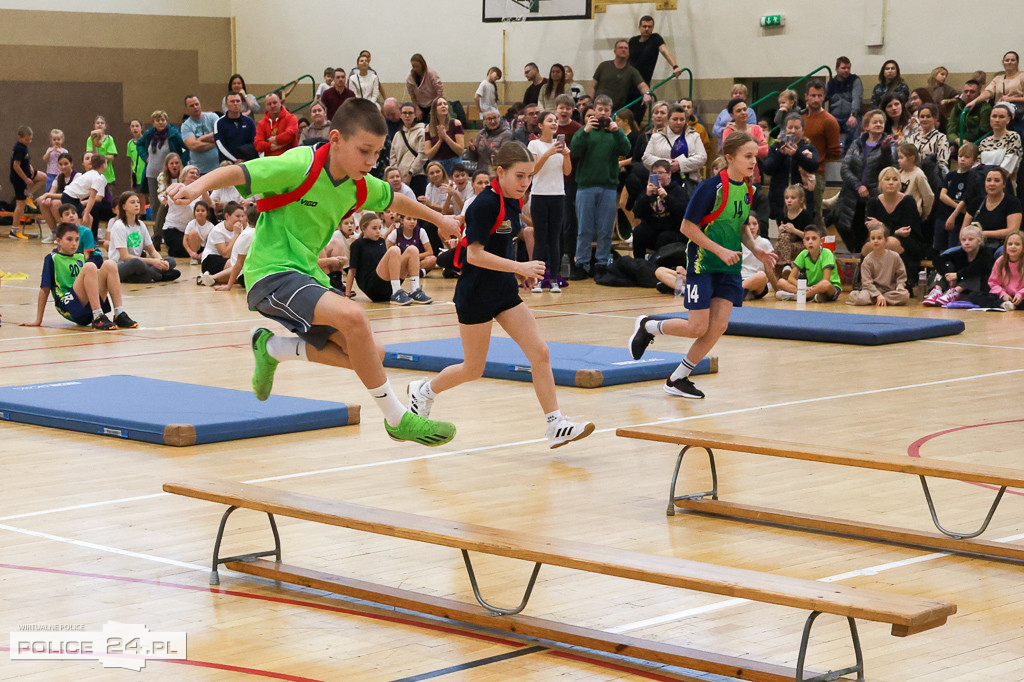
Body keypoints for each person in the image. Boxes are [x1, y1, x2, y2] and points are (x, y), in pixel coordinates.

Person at [167, 97, 459, 446]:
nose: (370, 162)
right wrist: (194, 188)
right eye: (363, 151)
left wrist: (440, 218)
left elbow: (395, 200)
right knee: (354, 317)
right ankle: (397, 419)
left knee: (370, 354)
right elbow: (239, 172)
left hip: (308, 277)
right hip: (270, 273)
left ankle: (273, 348)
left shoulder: (359, 182)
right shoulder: (300, 164)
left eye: (377, 154)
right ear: (335, 139)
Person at [407, 141, 594, 448]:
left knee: (540, 352)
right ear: (501, 172)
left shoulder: (513, 202)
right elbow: (475, 256)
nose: (526, 183)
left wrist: (517, 272)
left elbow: (502, 246)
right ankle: (424, 390)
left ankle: (555, 423)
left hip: (504, 293)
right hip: (476, 295)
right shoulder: (484, 204)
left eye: (530, 176)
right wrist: (519, 264)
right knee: (473, 368)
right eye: (520, 176)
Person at [629, 132, 776, 398]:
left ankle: (678, 378)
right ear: (729, 158)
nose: (754, 162)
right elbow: (687, 227)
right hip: (703, 263)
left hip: (729, 266)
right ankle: (649, 325)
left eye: (755, 156)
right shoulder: (711, 188)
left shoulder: (749, 189)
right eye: (748, 156)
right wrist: (719, 251)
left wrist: (756, 250)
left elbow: (741, 226)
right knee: (697, 327)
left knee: (718, 326)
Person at [23, 223, 137, 330]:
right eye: (69, 239)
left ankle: (119, 313)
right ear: (58, 241)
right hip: (67, 304)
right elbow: (44, 288)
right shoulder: (52, 258)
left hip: (87, 305)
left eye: (77, 240)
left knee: (110, 264)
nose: (74, 243)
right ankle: (98, 316)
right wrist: (38, 319)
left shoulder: (80, 256)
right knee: (90, 267)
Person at [571, 95, 632, 279]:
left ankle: (602, 263)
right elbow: (574, 150)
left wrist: (617, 131)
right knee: (584, 229)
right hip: (586, 186)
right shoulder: (585, 130)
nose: (603, 113)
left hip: (609, 186)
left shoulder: (615, 132)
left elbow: (626, 149)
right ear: (594, 110)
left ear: (611, 112)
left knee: (605, 229)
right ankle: (581, 263)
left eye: (607, 110)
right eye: (600, 110)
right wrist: (585, 130)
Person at [836, 110, 892, 253]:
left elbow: (890, 169)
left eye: (881, 122)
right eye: (875, 122)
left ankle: (863, 257)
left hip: (873, 196)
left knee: (868, 233)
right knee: (842, 225)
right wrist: (858, 185)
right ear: (866, 126)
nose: (879, 124)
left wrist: (885, 150)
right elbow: (845, 167)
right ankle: (855, 253)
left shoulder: (889, 144)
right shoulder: (857, 143)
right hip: (852, 194)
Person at [527, 110, 572, 291]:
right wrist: (549, 153)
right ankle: (538, 279)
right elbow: (533, 170)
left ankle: (554, 278)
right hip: (539, 195)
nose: (554, 123)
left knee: (555, 239)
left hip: (557, 195)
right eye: (549, 121)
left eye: (555, 121)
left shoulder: (560, 145)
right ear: (540, 125)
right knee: (540, 238)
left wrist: (566, 155)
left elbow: (567, 172)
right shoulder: (534, 145)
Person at [345, 212, 430, 304]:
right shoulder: (357, 244)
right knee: (394, 250)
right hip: (372, 286)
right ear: (363, 228)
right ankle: (396, 291)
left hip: (387, 285)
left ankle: (415, 290)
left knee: (413, 250)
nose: (378, 231)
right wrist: (347, 293)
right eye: (374, 228)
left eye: (379, 228)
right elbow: (352, 271)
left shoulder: (381, 241)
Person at [865, 166, 926, 283]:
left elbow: (907, 229)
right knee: (869, 245)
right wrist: (893, 231)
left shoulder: (908, 201)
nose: (891, 183)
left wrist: (882, 225)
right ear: (880, 183)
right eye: (887, 179)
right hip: (880, 238)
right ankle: (867, 281)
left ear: (900, 183)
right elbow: (871, 227)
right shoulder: (873, 202)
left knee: (890, 242)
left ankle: (902, 282)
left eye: (895, 179)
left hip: (909, 241)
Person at [107, 191, 180, 283]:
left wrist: (161, 262)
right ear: (123, 206)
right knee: (136, 263)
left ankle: (148, 276)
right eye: (132, 202)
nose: (137, 205)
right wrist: (153, 262)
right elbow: (125, 257)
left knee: (171, 261)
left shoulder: (141, 225)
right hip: (121, 266)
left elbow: (152, 250)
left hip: (140, 266)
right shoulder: (119, 226)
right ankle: (156, 276)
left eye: (138, 202)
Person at [763, 113, 818, 227]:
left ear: (803, 130)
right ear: (785, 129)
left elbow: (813, 166)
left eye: (797, 128)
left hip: (802, 198)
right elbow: (767, 169)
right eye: (790, 127)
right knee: (784, 234)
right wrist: (781, 155)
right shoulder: (776, 146)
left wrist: (796, 155)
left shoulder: (809, 147)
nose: (793, 131)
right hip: (780, 198)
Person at [924, 223, 994, 307]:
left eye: (971, 239)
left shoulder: (987, 252)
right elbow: (937, 261)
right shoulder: (960, 252)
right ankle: (937, 290)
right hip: (959, 281)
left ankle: (955, 292)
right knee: (946, 265)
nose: (966, 243)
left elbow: (979, 267)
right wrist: (948, 275)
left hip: (977, 287)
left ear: (979, 241)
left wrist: (957, 275)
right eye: (963, 240)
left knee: (974, 273)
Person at [803, 79, 842, 225]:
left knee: (815, 215)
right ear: (806, 96)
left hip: (816, 173)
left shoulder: (829, 121)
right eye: (813, 95)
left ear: (824, 96)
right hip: (797, 171)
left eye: (819, 96)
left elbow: (835, 151)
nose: (816, 99)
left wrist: (819, 160)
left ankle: (822, 246)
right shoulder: (800, 118)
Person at [632, 159, 688, 258]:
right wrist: (646, 196)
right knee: (638, 231)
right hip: (653, 228)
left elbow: (682, 214)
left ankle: (658, 263)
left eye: (661, 173)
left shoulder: (678, 191)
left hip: (672, 230)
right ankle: (638, 263)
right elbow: (637, 213)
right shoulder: (648, 191)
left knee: (665, 237)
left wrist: (667, 198)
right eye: (654, 173)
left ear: (669, 174)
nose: (657, 176)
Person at [642, 102, 707, 187]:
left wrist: (680, 164)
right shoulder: (656, 137)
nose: (679, 122)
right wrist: (667, 165)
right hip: (660, 183)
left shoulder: (694, 136)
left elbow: (702, 158)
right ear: (668, 120)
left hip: (689, 183)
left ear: (686, 120)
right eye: (675, 119)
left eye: (682, 119)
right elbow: (646, 158)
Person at [935, 142, 983, 251]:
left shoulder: (973, 177)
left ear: (974, 160)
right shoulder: (950, 175)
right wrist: (958, 207)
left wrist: (956, 213)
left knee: (953, 247)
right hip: (943, 216)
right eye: (960, 156)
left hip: (958, 220)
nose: (962, 159)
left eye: (967, 157)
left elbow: (967, 198)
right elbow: (942, 196)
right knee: (939, 247)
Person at [774, 225, 841, 302]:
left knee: (825, 284)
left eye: (814, 238)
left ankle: (798, 296)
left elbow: (826, 279)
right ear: (804, 243)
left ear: (821, 241)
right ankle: (812, 296)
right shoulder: (803, 254)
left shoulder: (827, 253)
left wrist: (810, 289)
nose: (810, 241)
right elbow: (791, 278)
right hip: (809, 287)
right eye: (807, 239)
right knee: (780, 282)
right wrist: (804, 287)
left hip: (830, 288)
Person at [848, 225, 909, 306]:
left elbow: (901, 275)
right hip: (871, 291)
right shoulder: (867, 260)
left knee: (904, 296)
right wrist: (877, 294)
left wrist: (900, 286)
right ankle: (879, 299)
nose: (875, 241)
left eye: (879, 238)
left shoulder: (895, 256)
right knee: (857, 297)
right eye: (873, 238)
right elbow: (867, 282)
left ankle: (879, 300)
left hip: (889, 290)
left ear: (885, 240)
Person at [962, 166, 1022, 248]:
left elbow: (1012, 231)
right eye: (988, 180)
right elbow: (963, 230)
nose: (992, 184)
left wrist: (983, 234)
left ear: (1004, 184)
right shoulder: (976, 202)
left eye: (997, 180)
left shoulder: (1013, 203)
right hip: (975, 245)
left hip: (1001, 246)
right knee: (948, 253)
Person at [162, 164, 211, 258]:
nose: (195, 175)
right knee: (180, 252)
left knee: (204, 249)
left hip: (193, 230)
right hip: (174, 229)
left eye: (197, 174)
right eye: (192, 173)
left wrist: (203, 188)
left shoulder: (201, 192)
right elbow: (184, 203)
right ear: (184, 175)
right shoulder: (176, 188)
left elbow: (208, 205)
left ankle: (195, 255)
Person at [590, 39, 652, 113]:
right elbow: (593, 86)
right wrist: (590, 103)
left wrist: (647, 94)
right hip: (598, 108)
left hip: (616, 112)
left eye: (626, 48)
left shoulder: (632, 71)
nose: (623, 50)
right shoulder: (603, 66)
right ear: (615, 51)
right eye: (620, 47)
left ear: (629, 52)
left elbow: (643, 85)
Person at [971, 51, 1024, 135]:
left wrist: (1011, 99)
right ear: (1003, 62)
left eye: (1012, 60)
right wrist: (975, 101)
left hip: (1017, 116)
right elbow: (988, 92)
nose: (1009, 62)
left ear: (1017, 63)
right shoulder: (998, 78)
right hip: (998, 113)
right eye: (1007, 60)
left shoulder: (1022, 77)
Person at [9, 125, 47, 240]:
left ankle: (28, 195)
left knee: (43, 177)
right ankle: (14, 231)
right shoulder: (19, 148)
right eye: (27, 139)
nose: (29, 141)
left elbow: (23, 160)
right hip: (19, 178)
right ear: (19, 138)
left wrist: (29, 166)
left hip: (27, 173)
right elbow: (15, 165)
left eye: (31, 139)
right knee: (20, 205)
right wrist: (25, 179)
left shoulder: (24, 146)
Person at [720, 99, 768, 184]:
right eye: (739, 111)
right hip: (734, 177)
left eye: (745, 109)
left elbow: (764, 151)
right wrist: (754, 149)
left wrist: (742, 150)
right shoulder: (728, 131)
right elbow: (728, 151)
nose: (743, 112)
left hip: (754, 177)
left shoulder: (757, 129)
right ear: (732, 115)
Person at [628, 15, 684, 88]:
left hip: (643, 83)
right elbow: (624, 58)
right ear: (639, 27)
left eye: (649, 27)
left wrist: (675, 66)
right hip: (628, 81)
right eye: (644, 26)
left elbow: (665, 52)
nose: (647, 29)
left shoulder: (655, 38)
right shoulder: (633, 41)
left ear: (653, 28)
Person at [60, 152, 108, 233]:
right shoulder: (97, 178)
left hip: (71, 197)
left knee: (89, 219)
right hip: (70, 197)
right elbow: (92, 197)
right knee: (80, 221)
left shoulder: (92, 173)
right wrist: (86, 213)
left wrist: (86, 213)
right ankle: (76, 241)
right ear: (104, 165)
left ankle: (87, 241)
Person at [198, 200, 245, 281]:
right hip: (211, 259)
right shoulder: (217, 230)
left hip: (229, 259)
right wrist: (236, 235)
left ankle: (210, 279)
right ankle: (212, 277)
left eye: (242, 216)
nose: (240, 219)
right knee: (237, 265)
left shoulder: (243, 228)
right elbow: (225, 254)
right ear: (227, 216)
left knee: (242, 266)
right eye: (237, 216)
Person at [774, 184, 814, 275]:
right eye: (787, 198)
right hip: (790, 246)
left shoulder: (805, 215)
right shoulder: (784, 215)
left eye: (792, 198)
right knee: (779, 244)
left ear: (801, 199)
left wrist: (794, 230)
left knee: (780, 245)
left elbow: (810, 237)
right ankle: (780, 274)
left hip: (804, 246)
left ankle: (785, 267)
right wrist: (781, 230)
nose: (789, 201)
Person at [38, 152, 77, 241]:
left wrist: (48, 195)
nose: (63, 167)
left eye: (66, 164)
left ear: (71, 164)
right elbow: (52, 191)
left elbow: (69, 194)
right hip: (65, 201)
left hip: (76, 202)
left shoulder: (77, 176)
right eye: (60, 164)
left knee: (55, 203)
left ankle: (62, 231)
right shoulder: (59, 177)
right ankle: (54, 233)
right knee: (43, 202)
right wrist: (47, 198)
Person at [827, 56, 863, 150]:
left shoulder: (855, 80)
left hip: (850, 116)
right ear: (836, 69)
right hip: (835, 118)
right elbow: (821, 97)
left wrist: (853, 114)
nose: (847, 70)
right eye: (843, 68)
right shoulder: (830, 84)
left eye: (848, 68)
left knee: (854, 127)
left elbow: (856, 98)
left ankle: (848, 153)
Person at [978, 103, 1023, 178]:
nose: (997, 120)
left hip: (1003, 183)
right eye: (994, 116)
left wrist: (991, 179)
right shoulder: (984, 141)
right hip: (982, 182)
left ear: (1008, 119)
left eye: (1001, 117)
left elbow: (1007, 167)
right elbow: (977, 166)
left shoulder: (1013, 137)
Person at [423, 97, 465, 175]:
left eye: (445, 104)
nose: (443, 106)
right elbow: (428, 155)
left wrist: (445, 137)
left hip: (454, 163)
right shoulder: (429, 128)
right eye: (439, 104)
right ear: (434, 109)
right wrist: (440, 141)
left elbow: (460, 151)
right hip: (437, 165)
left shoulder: (456, 123)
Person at [181, 94, 221, 175]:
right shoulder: (186, 125)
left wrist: (201, 138)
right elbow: (193, 146)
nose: (195, 107)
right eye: (191, 106)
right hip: (199, 171)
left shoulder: (212, 117)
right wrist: (215, 141)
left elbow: (221, 134)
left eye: (197, 104)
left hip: (218, 167)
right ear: (187, 108)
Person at [390, 102, 427, 187]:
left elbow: (422, 155)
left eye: (410, 113)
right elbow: (393, 156)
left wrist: (411, 172)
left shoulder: (421, 132)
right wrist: (396, 174)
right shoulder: (397, 135)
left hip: (417, 175)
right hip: (399, 177)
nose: (407, 116)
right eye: (404, 113)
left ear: (415, 115)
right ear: (400, 115)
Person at [906, 103, 951, 172]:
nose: (925, 119)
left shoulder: (941, 138)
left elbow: (942, 163)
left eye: (928, 116)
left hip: (932, 176)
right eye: (922, 116)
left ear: (935, 118)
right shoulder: (912, 138)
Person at [947, 80, 991, 149]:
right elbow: (950, 132)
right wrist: (957, 140)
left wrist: (966, 143)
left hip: (977, 144)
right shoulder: (957, 107)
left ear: (979, 94)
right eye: (966, 91)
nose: (968, 94)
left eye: (972, 92)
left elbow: (985, 132)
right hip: (958, 142)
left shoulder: (985, 108)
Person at [740, 215, 776, 299]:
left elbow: (769, 272)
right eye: (748, 224)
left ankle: (735, 293)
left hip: (757, 283)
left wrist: (777, 290)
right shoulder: (738, 241)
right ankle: (744, 293)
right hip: (740, 279)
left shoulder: (764, 243)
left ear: (758, 226)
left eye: (755, 224)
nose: (752, 227)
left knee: (761, 275)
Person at [896, 143, 934, 221]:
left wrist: (925, 213)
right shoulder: (900, 172)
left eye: (901, 158)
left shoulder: (918, 175)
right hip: (899, 212)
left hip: (912, 214)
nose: (898, 160)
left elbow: (929, 196)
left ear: (912, 158)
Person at [987, 230, 1024, 310]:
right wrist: (1003, 294)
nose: (1013, 246)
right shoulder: (1000, 261)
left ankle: (1013, 306)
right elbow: (993, 283)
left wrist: (1020, 294)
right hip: (1005, 295)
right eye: (1010, 244)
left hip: (1021, 296)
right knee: (976, 295)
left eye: (1017, 244)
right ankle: (1004, 304)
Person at [215, 93, 257, 163]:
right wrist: (235, 160)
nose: (235, 103)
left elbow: (255, 141)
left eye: (238, 101)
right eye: (232, 101)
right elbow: (220, 145)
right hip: (228, 163)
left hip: (248, 162)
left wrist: (246, 159)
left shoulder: (249, 121)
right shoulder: (219, 123)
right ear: (226, 105)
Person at [254, 92, 299, 158]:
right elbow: (258, 145)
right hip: (270, 162)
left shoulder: (291, 118)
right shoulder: (261, 124)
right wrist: (278, 145)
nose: (272, 105)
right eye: (269, 104)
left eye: (275, 102)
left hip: (289, 159)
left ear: (280, 103)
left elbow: (290, 135)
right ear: (266, 107)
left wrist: (272, 139)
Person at [406, 54, 444, 121]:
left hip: (433, 104)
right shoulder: (410, 78)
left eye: (417, 66)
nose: (415, 69)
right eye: (413, 66)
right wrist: (417, 108)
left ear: (422, 64)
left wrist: (434, 107)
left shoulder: (431, 73)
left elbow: (439, 91)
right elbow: (412, 96)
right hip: (420, 106)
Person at [85, 115, 118, 189]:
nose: (100, 124)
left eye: (102, 123)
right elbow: (91, 156)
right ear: (94, 125)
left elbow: (111, 157)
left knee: (108, 196)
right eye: (97, 123)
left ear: (105, 126)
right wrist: (94, 143)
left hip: (107, 174)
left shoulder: (109, 139)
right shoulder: (90, 139)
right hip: (94, 173)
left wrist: (99, 158)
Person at [184, 200, 215, 264]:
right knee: (193, 233)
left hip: (206, 248)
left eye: (203, 211)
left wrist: (203, 252)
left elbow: (211, 242)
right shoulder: (191, 224)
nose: (200, 213)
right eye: (197, 211)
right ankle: (194, 258)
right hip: (195, 247)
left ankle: (203, 258)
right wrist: (190, 252)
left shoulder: (211, 226)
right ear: (194, 212)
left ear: (207, 213)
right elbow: (185, 240)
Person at [42, 128, 68, 194]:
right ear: (51, 140)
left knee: (60, 190)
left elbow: (67, 160)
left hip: (61, 174)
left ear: (62, 140)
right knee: (49, 189)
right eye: (54, 140)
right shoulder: (49, 149)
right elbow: (44, 158)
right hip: (51, 174)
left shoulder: (64, 151)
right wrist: (49, 152)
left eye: (58, 139)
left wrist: (61, 152)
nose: (56, 141)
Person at [125, 119, 146, 194]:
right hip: (136, 176)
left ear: (141, 128)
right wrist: (131, 179)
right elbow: (132, 162)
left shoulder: (146, 141)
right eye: (132, 126)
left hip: (146, 173)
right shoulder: (130, 143)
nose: (135, 128)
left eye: (137, 126)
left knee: (150, 196)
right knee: (139, 197)